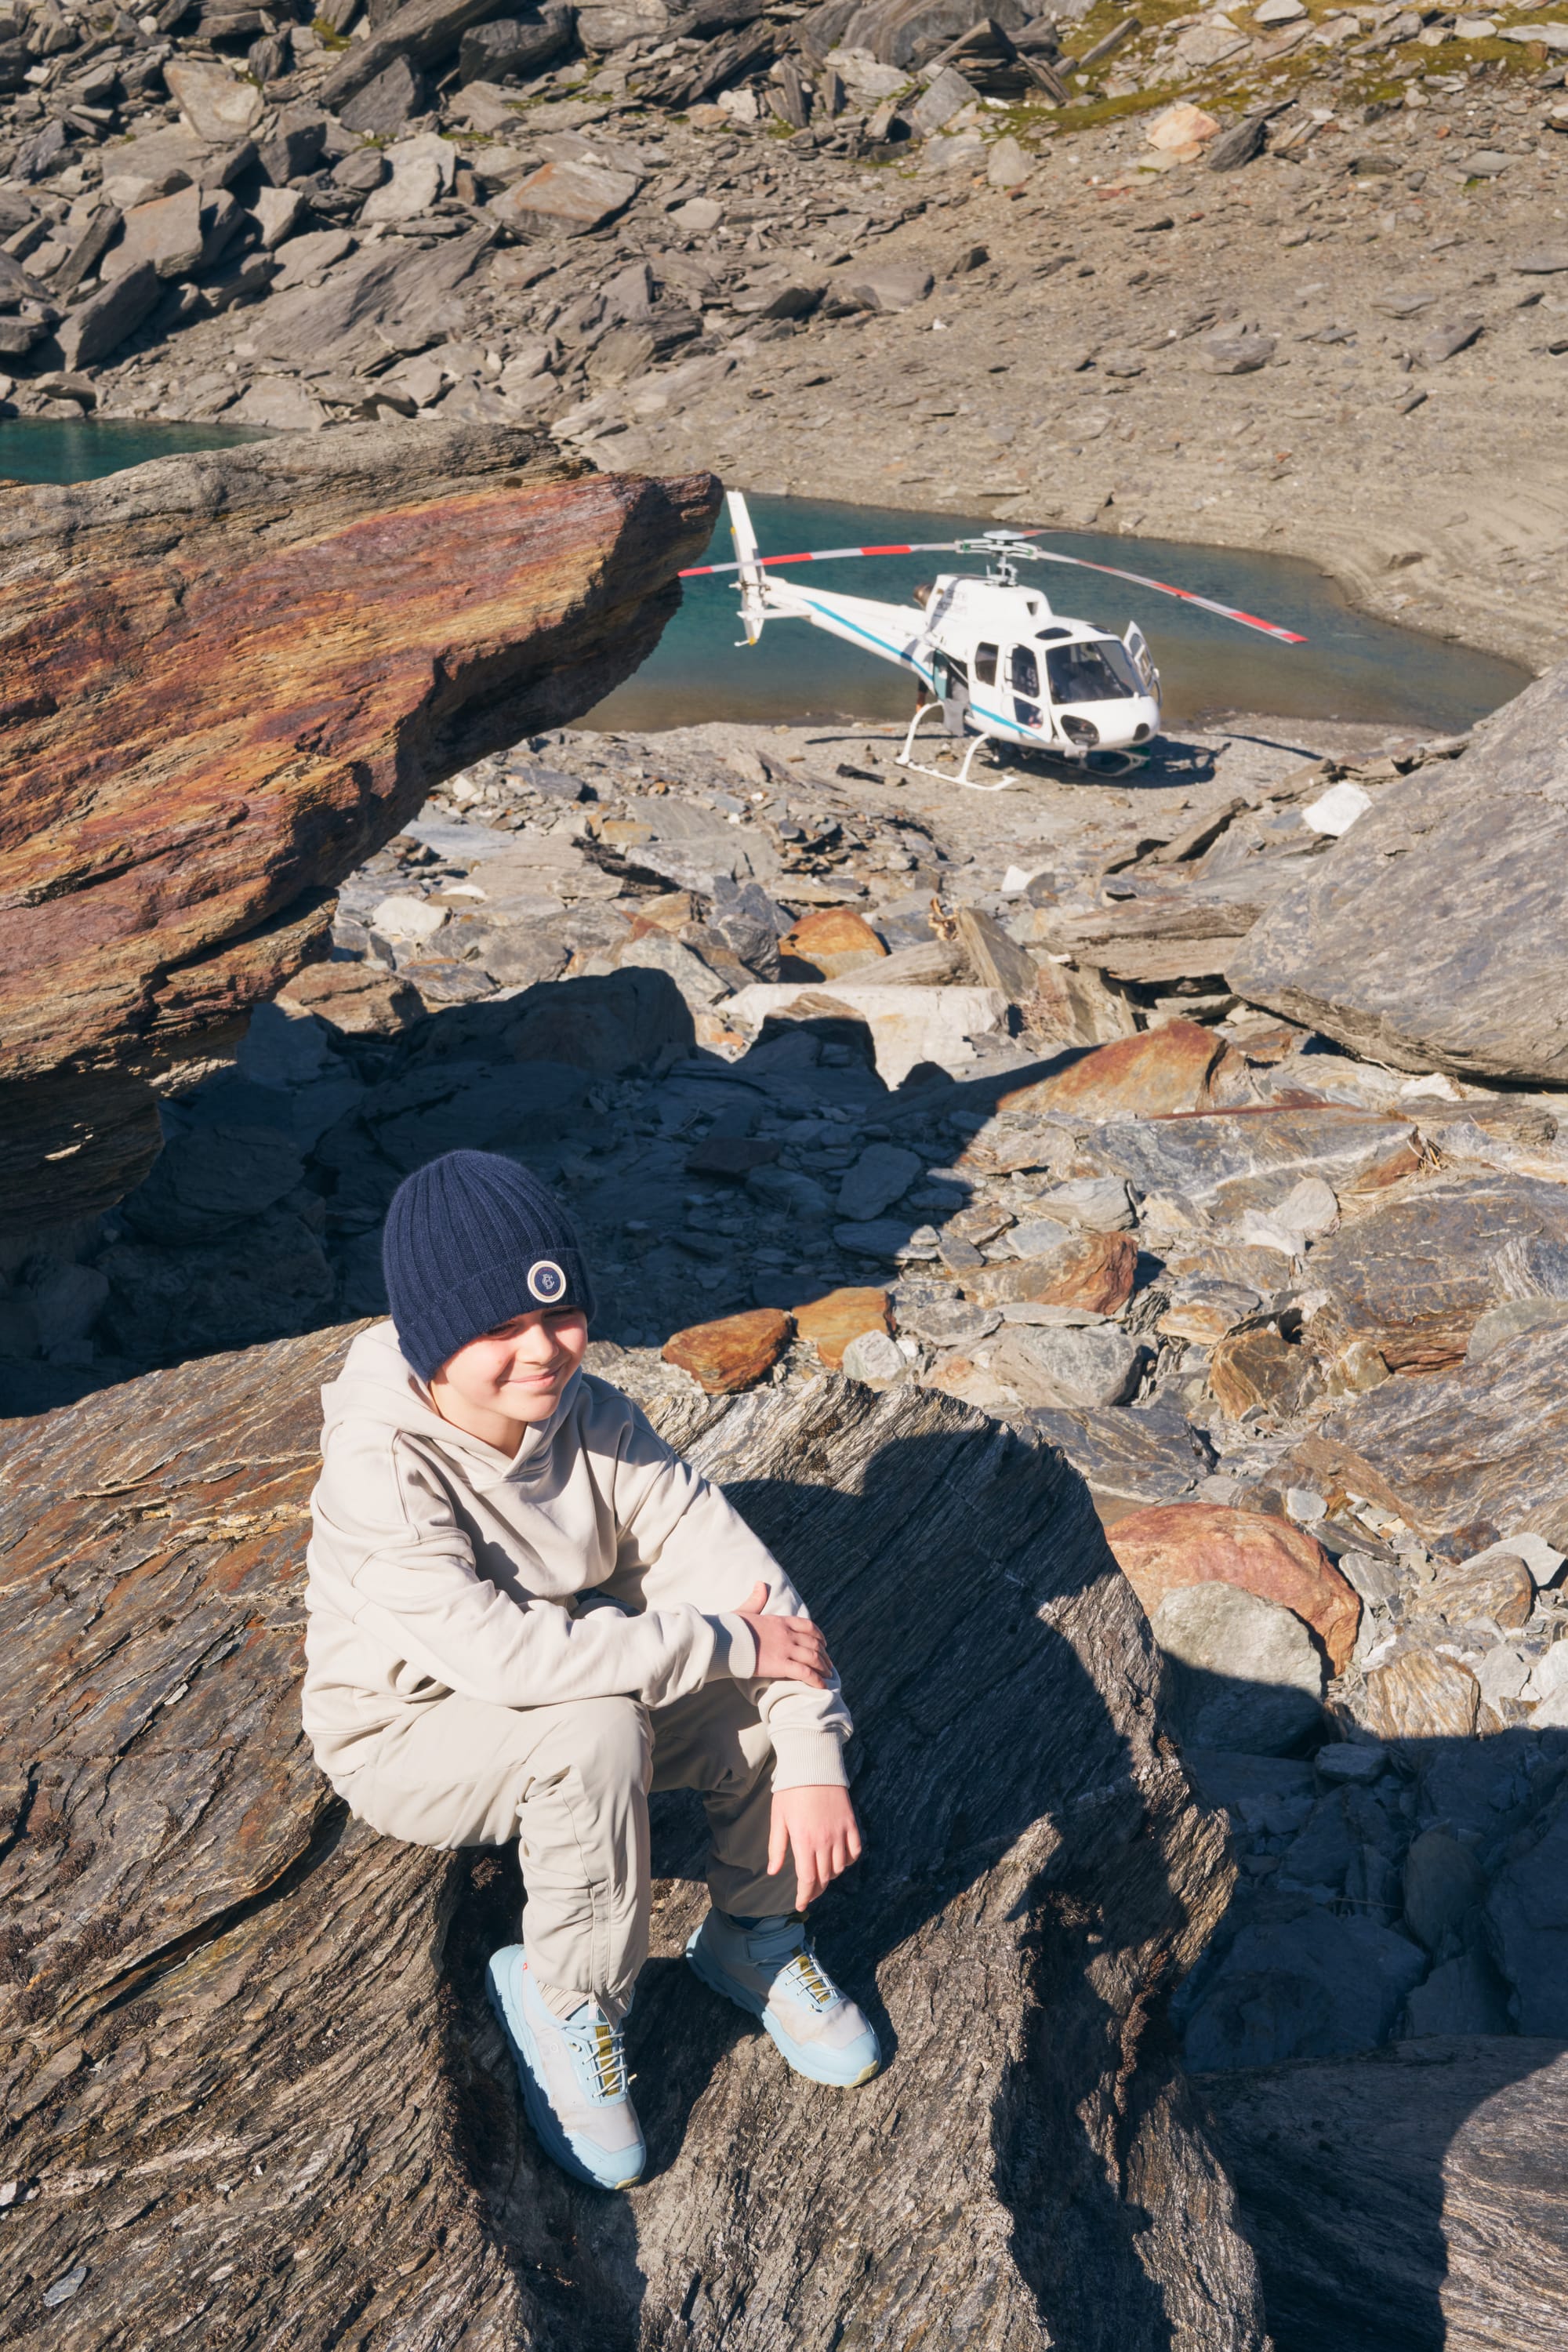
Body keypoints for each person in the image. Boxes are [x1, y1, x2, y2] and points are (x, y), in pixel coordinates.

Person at [302, 1149, 879, 2192]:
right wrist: (721, 1640)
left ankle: (751, 1934)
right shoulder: (380, 1466)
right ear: (432, 1339)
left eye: (560, 1314)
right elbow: (502, 1655)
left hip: (575, 1682)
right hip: (409, 1732)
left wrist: (809, 1754)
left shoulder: (596, 1417)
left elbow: (753, 1592)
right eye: (500, 1328)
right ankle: (564, 1997)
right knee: (604, 1720)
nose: (543, 1350)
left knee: (751, 1694)